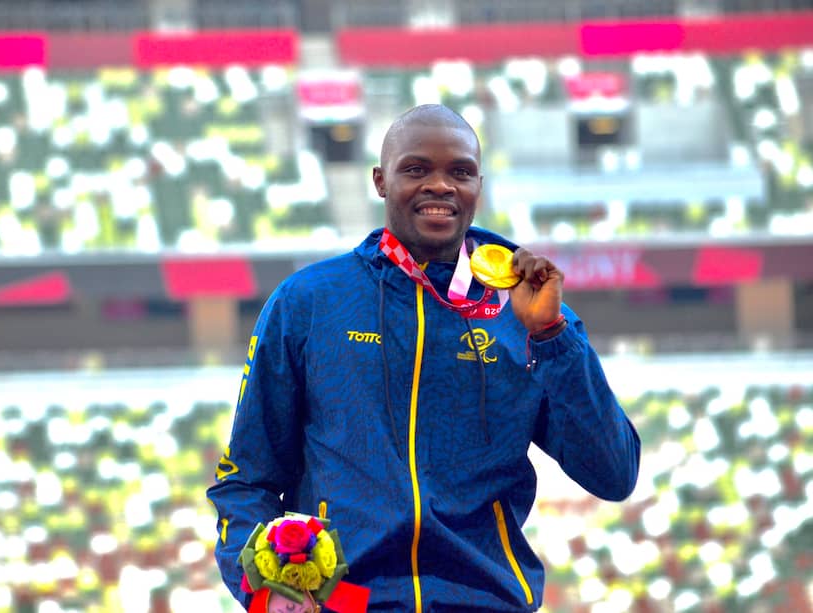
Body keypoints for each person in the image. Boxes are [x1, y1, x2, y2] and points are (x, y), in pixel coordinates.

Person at [207, 104, 641, 612]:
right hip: (346, 604)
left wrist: (552, 336)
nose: (440, 185)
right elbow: (247, 480)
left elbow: (613, 473)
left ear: (479, 184)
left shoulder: (525, 312)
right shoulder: (308, 301)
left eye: (460, 171)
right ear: (380, 181)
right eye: (416, 169)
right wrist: (263, 588)